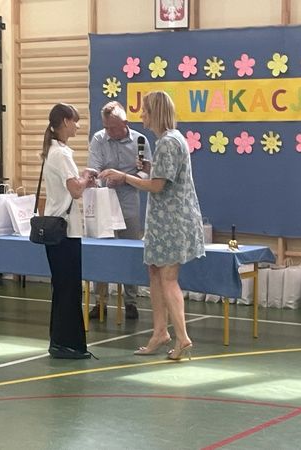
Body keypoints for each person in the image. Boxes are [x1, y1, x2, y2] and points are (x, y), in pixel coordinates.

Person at [99, 91, 205, 361]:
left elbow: (157, 186)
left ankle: (182, 337)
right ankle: (160, 332)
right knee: (155, 272)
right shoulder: (169, 140)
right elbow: (164, 176)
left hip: (172, 221)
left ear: (155, 112)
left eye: (145, 110)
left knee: (168, 278)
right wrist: (149, 166)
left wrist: (125, 177)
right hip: (164, 221)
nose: (141, 115)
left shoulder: (168, 142)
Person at [41, 103, 98, 359]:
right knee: (68, 289)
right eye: (75, 121)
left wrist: (83, 179)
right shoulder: (61, 154)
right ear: (65, 121)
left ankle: (61, 341)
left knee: (64, 287)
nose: (78, 126)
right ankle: (67, 344)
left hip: (59, 230)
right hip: (65, 231)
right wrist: (85, 176)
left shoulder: (55, 151)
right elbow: (75, 190)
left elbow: (70, 187)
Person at [87, 101, 152, 320]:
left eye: (113, 128)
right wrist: (100, 178)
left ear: (125, 123)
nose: (109, 132)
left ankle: (131, 302)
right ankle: (100, 302)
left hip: (129, 201)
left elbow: (146, 174)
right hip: (104, 201)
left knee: (130, 251)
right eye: (106, 127)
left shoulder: (140, 141)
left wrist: (125, 178)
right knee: (101, 251)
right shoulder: (98, 139)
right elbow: (94, 168)